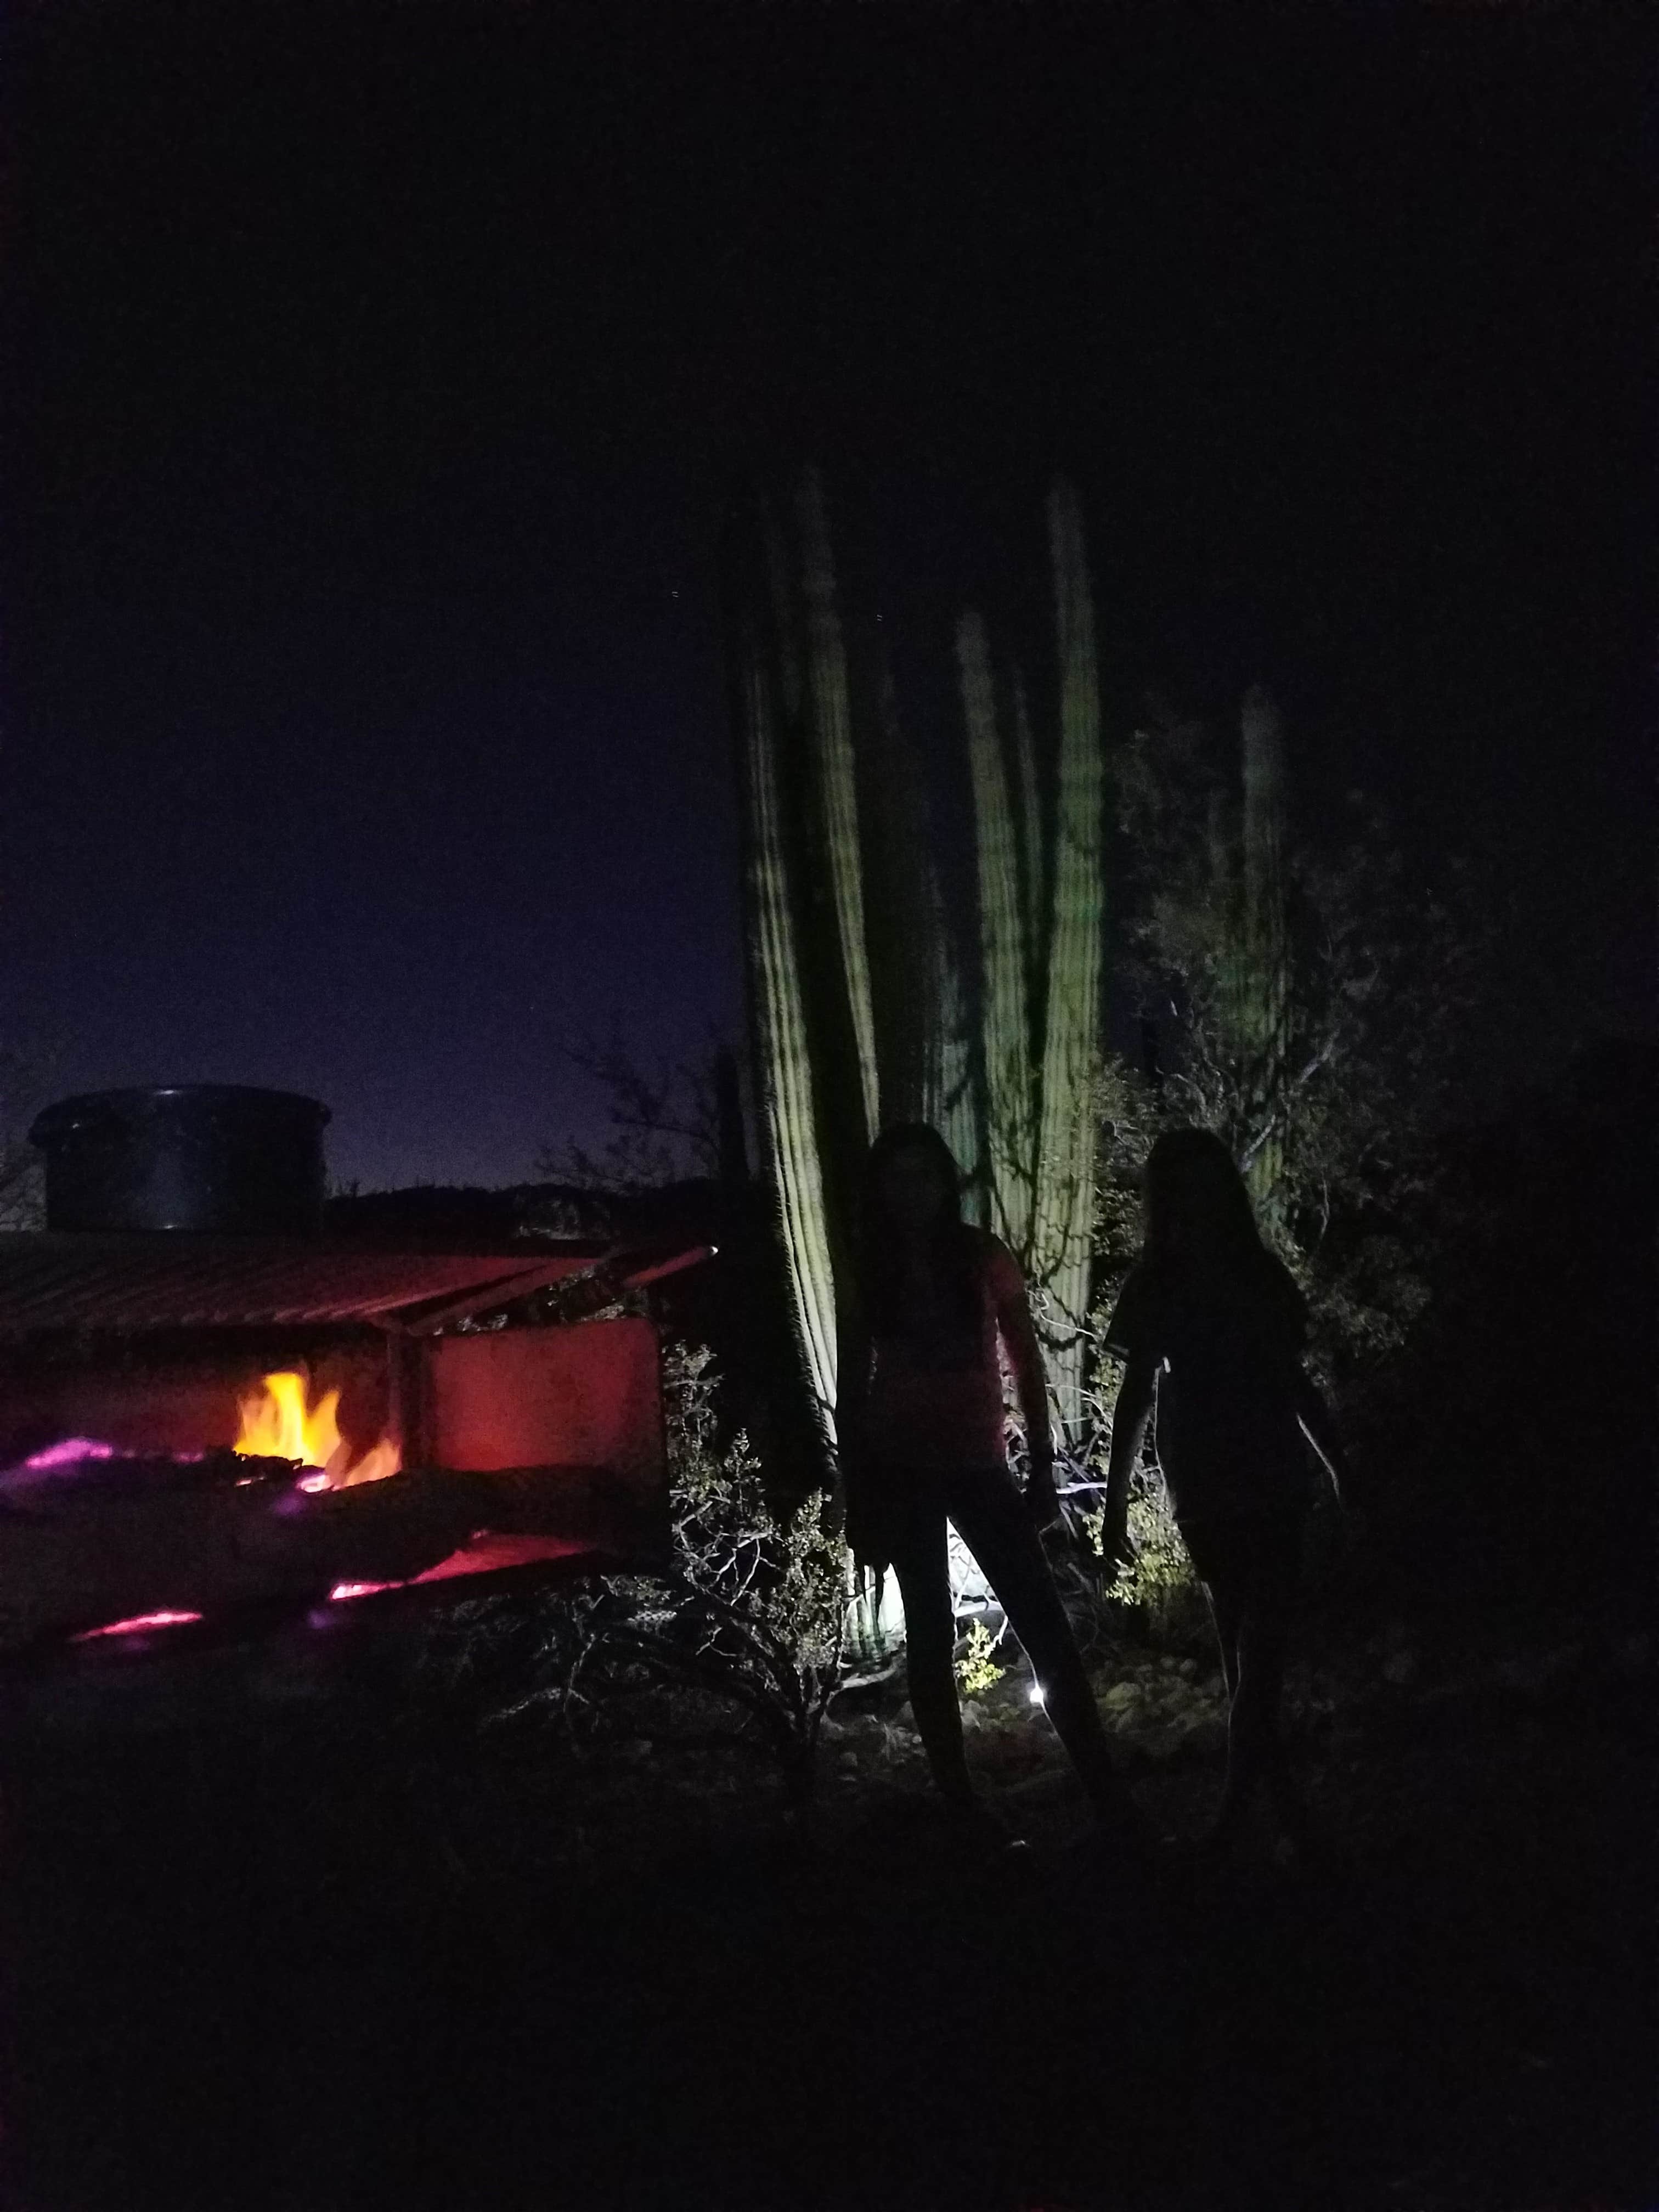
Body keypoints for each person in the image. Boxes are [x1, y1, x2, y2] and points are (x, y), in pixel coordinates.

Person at [839, 1122, 1147, 1861]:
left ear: (945, 1182)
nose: (912, 1192)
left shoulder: (982, 1256)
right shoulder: (874, 1265)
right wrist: (857, 1490)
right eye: (897, 1178)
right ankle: (964, 1810)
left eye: (924, 1175)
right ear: (881, 1190)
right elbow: (854, 1382)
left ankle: (1107, 1798)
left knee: (1042, 1623)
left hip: (979, 1465)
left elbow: (1026, 1360)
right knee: (929, 1635)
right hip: (902, 1468)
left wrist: (1041, 1463)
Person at [1101, 1127, 1347, 1865]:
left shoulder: (1255, 1274)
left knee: (1257, 1652)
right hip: (1204, 1478)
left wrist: (1339, 1466)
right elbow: (1135, 1396)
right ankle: (1280, 1815)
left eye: (1208, 1184)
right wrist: (1116, 1502)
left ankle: (1242, 1821)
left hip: (1269, 1472)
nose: (1198, 1201)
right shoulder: (1158, 1283)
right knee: (1246, 1651)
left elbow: (1294, 1382)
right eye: (1184, 1188)